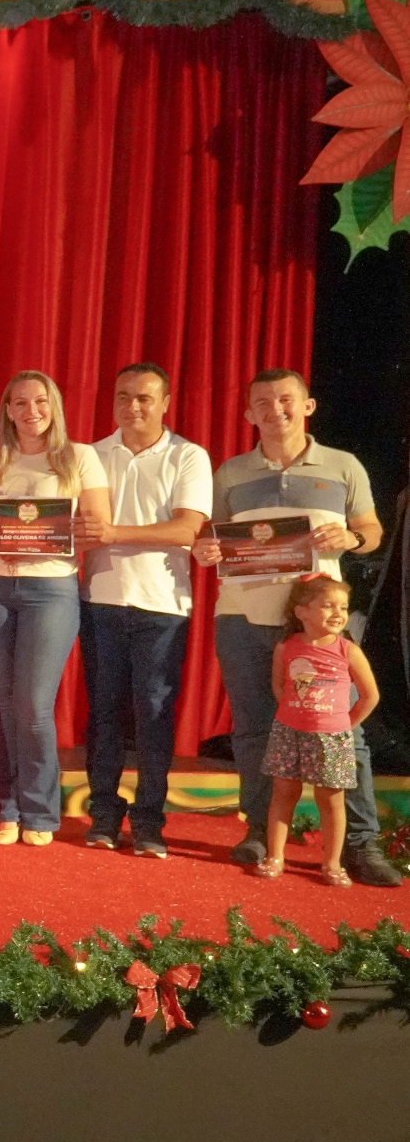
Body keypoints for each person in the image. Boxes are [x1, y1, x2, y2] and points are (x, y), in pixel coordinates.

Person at [194, 368, 397, 886]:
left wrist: (351, 538)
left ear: (307, 406)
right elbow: (210, 537)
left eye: (286, 399)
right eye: (262, 402)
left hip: (319, 630)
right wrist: (206, 549)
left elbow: (372, 530)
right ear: (249, 413)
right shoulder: (230, 473)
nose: (275, 409)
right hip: (243, 617)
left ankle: (360, 843)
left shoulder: (343, 465)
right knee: (254, 730)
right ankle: (260, 832)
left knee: (345, 731)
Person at [0, 371, 111, 847]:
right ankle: (6, 808)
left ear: (55, 406)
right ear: (8, 410)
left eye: (41, 401)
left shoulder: (80, 458)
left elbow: (97, 526)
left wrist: (49, 531)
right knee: (4, 702)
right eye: (21, 403)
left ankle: (41, 812)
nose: (32, 411)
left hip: (51, 590)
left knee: (32, 704)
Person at [76, 364, 211, 858]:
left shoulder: (187, 456)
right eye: (123, 396)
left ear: (166, 403)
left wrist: (112, 534)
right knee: (104, 713)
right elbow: (75, 525)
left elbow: (186, 529)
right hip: (101, 600)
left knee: (154, 714)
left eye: (144, 398)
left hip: (162, 606)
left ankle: (150, 821)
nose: (132, 406)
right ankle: (104, 816)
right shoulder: (91, 455)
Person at [251, 576, 378, 887]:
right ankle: (275, 856)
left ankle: (332, 863)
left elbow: (369, 696)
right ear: (301, 612)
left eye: (343, 607)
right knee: (283, 794)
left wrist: (344, 725)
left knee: (331, 801)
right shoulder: (286, 647)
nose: (338, 613)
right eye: (328, 606)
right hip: (288, 734)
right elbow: (279, 686)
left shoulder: (348, 650)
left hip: (332, 738)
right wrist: (294, 714)